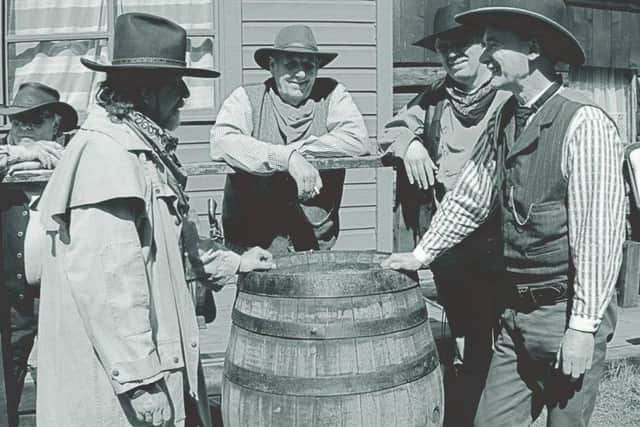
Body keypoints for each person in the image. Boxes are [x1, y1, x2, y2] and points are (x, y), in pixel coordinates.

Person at [382, 1, 624, 426]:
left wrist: (583, 328)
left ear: (532, 49)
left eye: (494, 43)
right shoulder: (505, 118)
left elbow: (599, 238)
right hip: (515, 315)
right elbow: (469, 197)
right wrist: (420, 256)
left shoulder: (584, 123)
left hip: (565, 312)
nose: (485, 53)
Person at [34, 13, 274, 427]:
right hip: (116, 378)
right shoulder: (107, 156)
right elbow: (110, 280)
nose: (183, 96)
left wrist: (236, 263)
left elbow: (174, 241)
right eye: (174, 85)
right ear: (143, 91)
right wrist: (141, 382)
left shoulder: (143, 149)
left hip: (139, 363)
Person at [381, 1, 509, 423]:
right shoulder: (436, 96)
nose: (452, 53)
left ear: (484, 47)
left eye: (462, 44)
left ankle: (491, 410)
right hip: (447, 236)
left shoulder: (507, 97)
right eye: (443, 47)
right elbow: (394, 130)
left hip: (499, 239)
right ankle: (467, 406)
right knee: (460, 326)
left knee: (493, 335)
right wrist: (411, 144)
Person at [210, 24, 374, 254]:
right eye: (291, 64)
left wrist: (298, 152)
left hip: (313, 241)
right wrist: (286, 158)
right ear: (272, 66)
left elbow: (357, 140)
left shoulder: (332, 94)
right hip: (255, 245)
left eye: (309, 66)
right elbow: (222, 142)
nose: (301, 74)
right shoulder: (246, 98)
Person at [0, 82, 77, 427]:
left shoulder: (73, 158)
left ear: (56, 125)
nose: (25, 128)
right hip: (10, 302)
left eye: (36, 120)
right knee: (6, 387)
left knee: (64, 386)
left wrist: (35, 154)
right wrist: (23, 154)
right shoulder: (5, 160)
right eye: (18, 122)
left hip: (63, 300)